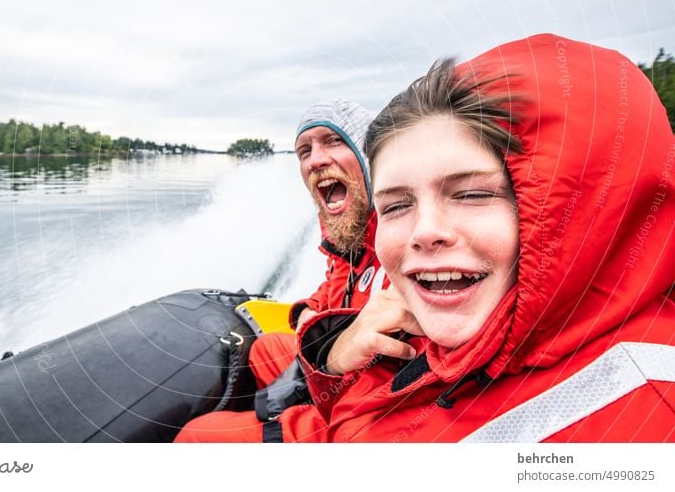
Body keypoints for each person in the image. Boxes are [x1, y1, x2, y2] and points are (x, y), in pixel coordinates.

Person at [284, 33, 675, 442]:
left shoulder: (636, 415)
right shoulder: (455, 320)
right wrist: (321, 341)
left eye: (471, 194)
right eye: (397, 205)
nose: (425, 232)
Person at [176, 99, 388, 442]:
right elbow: (336, 287)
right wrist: (309, 310)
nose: (315, 160)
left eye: (333, 141)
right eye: (304, 151)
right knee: (265, 349)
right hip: (341, 372)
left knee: (196, 437)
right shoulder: (349, 235)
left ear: (370, 157)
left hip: (374, 410)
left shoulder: (400, 234)